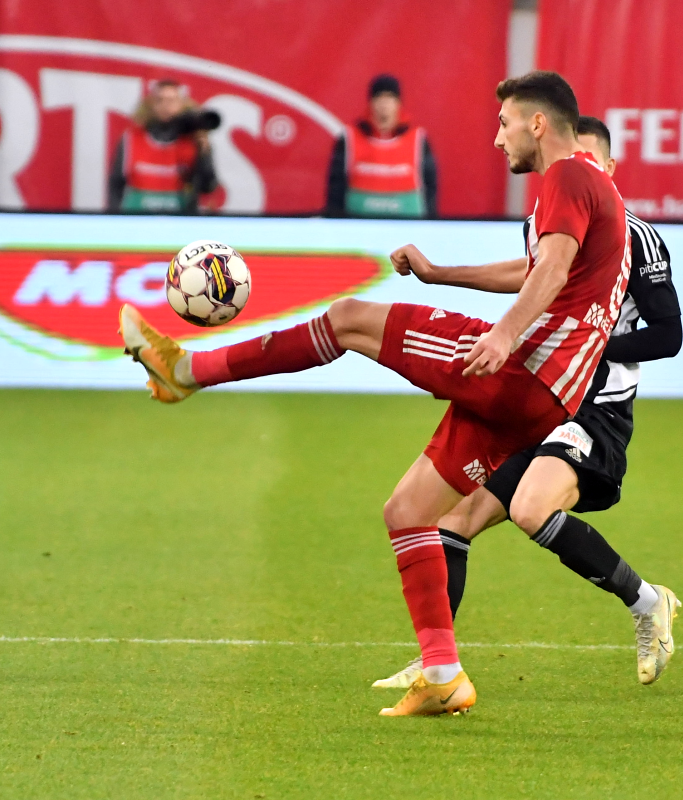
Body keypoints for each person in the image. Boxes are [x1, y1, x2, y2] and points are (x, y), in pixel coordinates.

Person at [119, 71, 646, 717]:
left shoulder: (566, 177)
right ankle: (443, 674)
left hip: (520, 370)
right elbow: (542, 269)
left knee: (348, 320)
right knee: (408, 511)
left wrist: (506, 337)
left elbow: (555, 269)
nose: (496, 136)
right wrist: (440, 274)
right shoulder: (599, 189)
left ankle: (186, 371)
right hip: (547, 397)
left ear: (538, 124)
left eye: (505, 122)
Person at [373, 116, 683, 691]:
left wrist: (585, 342)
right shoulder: (545, 220)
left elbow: (669, 335)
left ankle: (646, 603)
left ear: (608, 170)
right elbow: (529, 275)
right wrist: (440, 275)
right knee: (453, 520)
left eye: (590, 161)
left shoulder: (636, 236)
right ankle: (437, 661)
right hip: (536, 397)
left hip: (594, 409)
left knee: (530, 509)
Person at [325, 74, 439, 218]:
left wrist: (430, 224)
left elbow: (430, 190)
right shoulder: (349, 139)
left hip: (409, 228)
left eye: (390, 98)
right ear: (371, 102)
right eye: (379, 97)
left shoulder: (418, 140)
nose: (384, 104)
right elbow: (336, 189)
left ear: (398, 103)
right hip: (358, 229)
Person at [107, 79, 218, 214]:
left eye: (172, 101)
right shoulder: (132, 138)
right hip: (138, 218)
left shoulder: (192, 142)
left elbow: (207, 186)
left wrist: (204, 153)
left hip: (179, 219)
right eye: (160, 100)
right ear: (152, 105)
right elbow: (116, 184)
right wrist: (115, 217)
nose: (166, 106)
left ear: (182, 105)